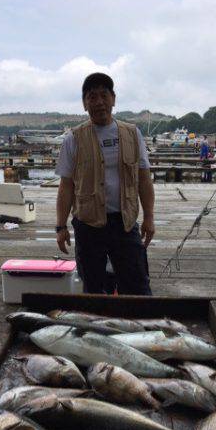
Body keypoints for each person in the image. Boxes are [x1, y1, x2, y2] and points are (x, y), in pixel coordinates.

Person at [55, 72, 155, 295]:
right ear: (84, 103)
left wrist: (149, 217)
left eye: (104, 95)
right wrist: (61, 226)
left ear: (113, 98)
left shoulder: (132, 133)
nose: (99, 102)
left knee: (137, 286)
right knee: (93, 288)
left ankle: (138, 327)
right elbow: (66, 185)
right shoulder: (73, 138)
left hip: (125, 222)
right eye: (92, 97)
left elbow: (144, 178)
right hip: (88, 225)